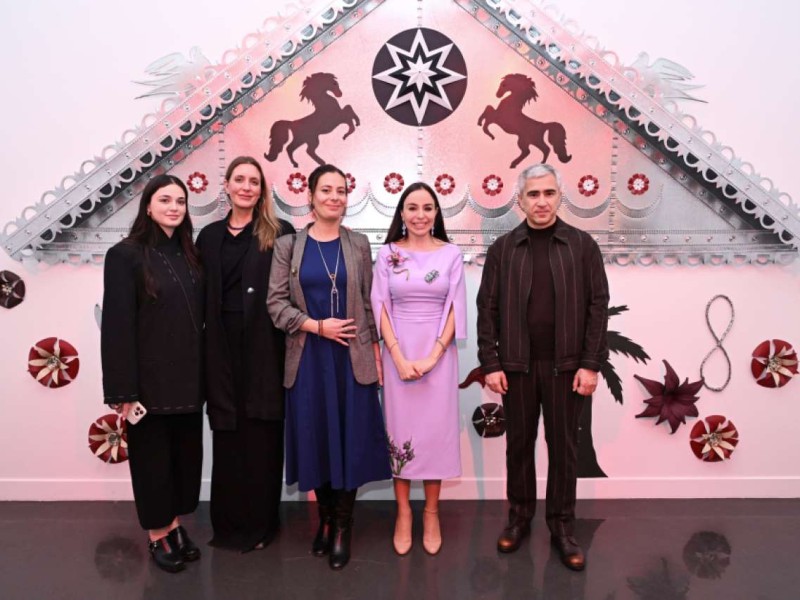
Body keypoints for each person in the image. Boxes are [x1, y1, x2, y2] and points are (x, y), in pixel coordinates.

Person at [476, 163, 609, 571]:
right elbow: (487, 309)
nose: (541, 201)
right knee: (518, 446)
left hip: (566, 369)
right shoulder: (503, 249)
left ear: (559, 197)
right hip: (516, 367)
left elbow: (598, 306)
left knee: (564, 449)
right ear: (520, 200)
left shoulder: (582, 245)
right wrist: (491, 362)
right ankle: (518, 519)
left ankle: (562, 527)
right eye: (533, 194)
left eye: (549, 193)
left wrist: (590, 365)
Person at [268, 164, 391, 570]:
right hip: (309, 358)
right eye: (326, 190)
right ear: (311, 196)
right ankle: (324, 517)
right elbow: (275, 304)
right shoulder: (289, 246)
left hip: (351, 359)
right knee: (316, 439)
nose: (335, 197)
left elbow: (368, 301)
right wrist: (316, 326)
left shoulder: (358, 244)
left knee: (350, 440)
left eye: (341, 190)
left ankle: (342, 526)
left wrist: (375, 351)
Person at [101, 174, 204, 573]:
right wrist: (123, 391)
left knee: (182, 461)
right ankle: (158, 533)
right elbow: (117, 327)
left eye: (180, 201)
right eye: (165, 200)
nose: (174, 207)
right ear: (148, 205)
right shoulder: (124, 255)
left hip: (188, 381)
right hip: (147, 385)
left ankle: (174, 524)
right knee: (152, 464)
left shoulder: (189, 254)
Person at [196, 156, 295, 552]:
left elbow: (289, 293)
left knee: (263, 435)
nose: (246, 187)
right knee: (228, 433)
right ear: (227, 185)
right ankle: (227, 525)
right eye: (239, 180)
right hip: (220, 346)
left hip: (265, 345)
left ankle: (261, 525)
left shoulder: (280, 232)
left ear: (261, 190)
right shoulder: (208, 237)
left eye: (254, 181)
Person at [370, 182, 466, 556]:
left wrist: (434, 355)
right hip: (399, 353)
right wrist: (395, 355)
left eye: (427, 208)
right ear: (402, 213)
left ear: (437, 213)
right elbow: (379, 304)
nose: (420, 215)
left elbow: (456, 306)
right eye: (412, 207)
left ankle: (431, 513)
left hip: (438, 356)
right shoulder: (388, 253)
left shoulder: (451, 254)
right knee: (400, 433)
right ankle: (403, 513)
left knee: (435, 435)